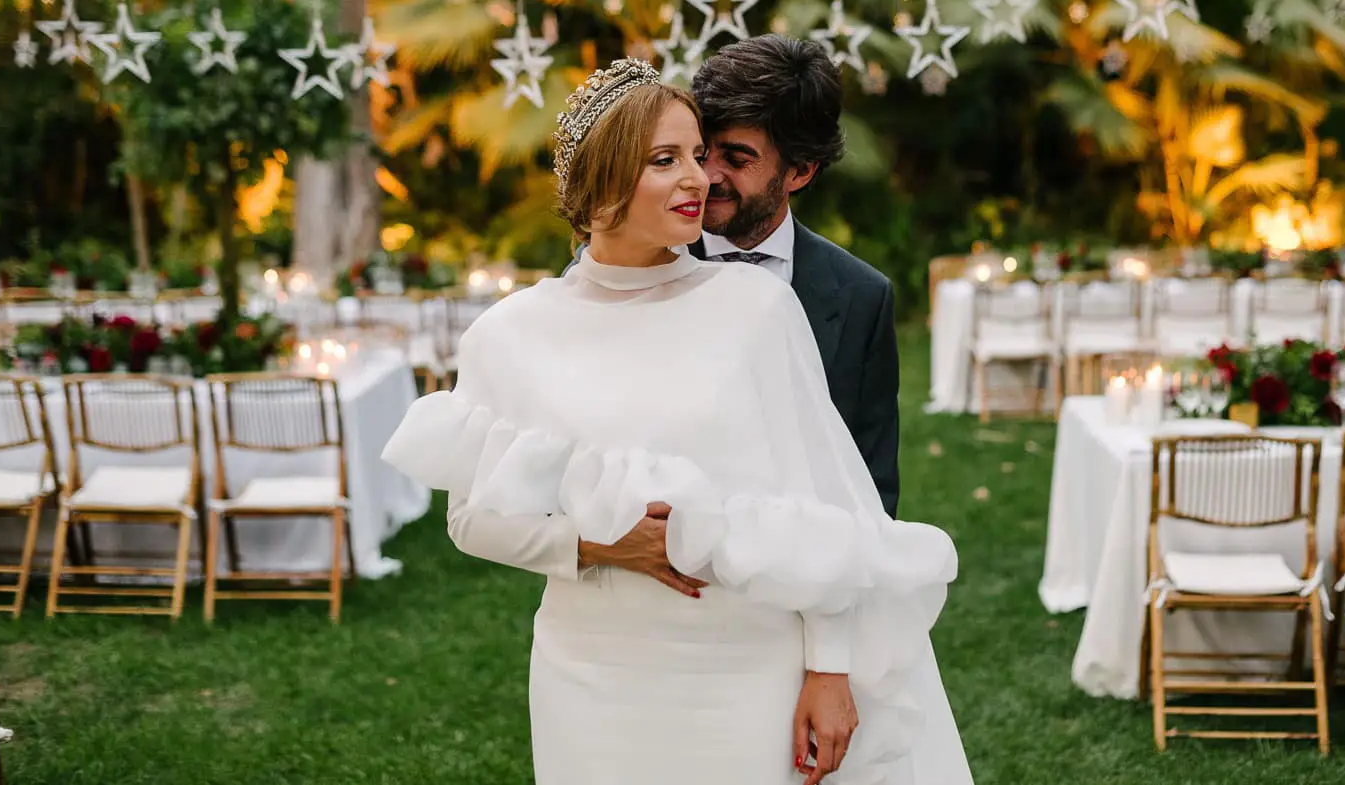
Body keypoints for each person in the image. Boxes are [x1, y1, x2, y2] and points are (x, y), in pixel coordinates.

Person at [382, 59, 973, 785]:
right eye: (668, 159)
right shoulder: (511, 334)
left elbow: (825, 507)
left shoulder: (755, 308)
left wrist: (829, 666)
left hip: (749, 666)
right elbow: (469, 521)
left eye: (700, 154)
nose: (699, 178)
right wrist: (596, 543)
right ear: (601, 178)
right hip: (593, 671)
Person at [690, 36, 901, 518]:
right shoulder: (639, 264)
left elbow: (872, 482)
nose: (708, 176)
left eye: (737, 159)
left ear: (800, 172)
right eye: (702, 152)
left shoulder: (862, 298)